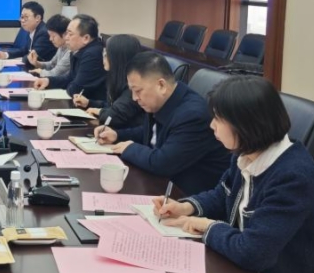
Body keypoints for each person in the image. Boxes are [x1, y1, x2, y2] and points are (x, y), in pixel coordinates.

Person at [155, 76, 314, 273]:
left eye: (218, 119)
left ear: (246, 124)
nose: (211, 125)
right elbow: (223, 194)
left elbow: (253, 252)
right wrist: (187, 207)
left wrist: (208, 227)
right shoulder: (247, 152)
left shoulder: (292, 177)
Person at [94, 51, 230, 194]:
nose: (134, 98)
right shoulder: (162, 100)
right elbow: (150, 133)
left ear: (161, 85)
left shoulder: (193, 115)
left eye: (138, 91)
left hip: (186, 195)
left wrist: (130, 148)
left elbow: (163, 163)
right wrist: (117, 135)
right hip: (161, 184)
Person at [73, 34, 144, 129]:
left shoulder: (133, 86)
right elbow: (112, 105)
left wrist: (99, 112)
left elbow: (115, 115)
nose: (103, 57)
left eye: (106, 54)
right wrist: (89, 103)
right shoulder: (116, 78)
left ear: (118, 58)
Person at [33, 14, 107, 101]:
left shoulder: (92, 54)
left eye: (70, 34)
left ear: (86, 38)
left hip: (93, 105)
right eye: (66, 33)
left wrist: (69, 85)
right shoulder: (77, 50)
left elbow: (75, 90)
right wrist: (48, 81)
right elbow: (69, 77)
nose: (66, 38)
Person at [27, 14, 70, 78]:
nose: (50, 39)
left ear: (64, 34)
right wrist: (36, 63)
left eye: (53, 36)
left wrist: (40, 72)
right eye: (50, 35)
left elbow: (55, 73)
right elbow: (51, 64)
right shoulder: (61, 47)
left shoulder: (70, 51)